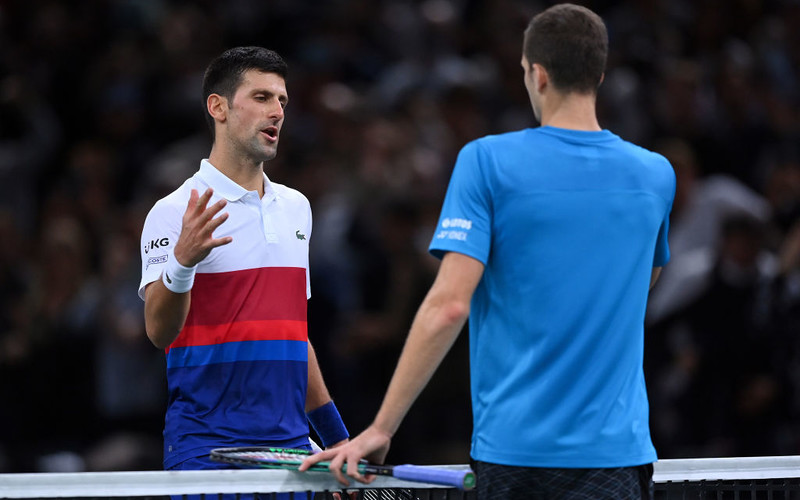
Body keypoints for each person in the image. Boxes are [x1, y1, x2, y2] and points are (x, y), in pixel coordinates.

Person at [301, 4, 676, 499]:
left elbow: (449, 304)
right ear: (600, 74)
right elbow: (642, 281)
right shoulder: (656, 175)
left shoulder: (486, 161)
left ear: (537, 74)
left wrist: (382, 428)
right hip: (614, 459)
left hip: (511, 456)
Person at [138, 47, 349, 477]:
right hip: (206, 452)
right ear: (218, 107)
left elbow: (292, 335)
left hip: (292, 452)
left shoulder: (297, 207)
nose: (277, 112)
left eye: (282, 101)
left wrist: (338, 438)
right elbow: (159, 333)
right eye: (261, 98)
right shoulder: (174, 210)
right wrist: (182, 262)